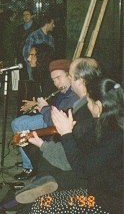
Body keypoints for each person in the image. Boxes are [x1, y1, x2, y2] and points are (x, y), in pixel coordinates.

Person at [21, 77, 122, 213]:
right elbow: (82, 151)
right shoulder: (106, 123)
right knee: (40, 201)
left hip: (108, 203)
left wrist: (67, 134)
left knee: (41, 207)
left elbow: (81, 169)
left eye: (89, 101)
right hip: (99, 190)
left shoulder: (115, 135)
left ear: (99, 106)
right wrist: (42, 143)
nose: (87, 105)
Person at [13, 58, 102, 212]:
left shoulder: (87, 111)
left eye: (71, 76)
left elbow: (74, 160)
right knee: (45, 167)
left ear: (79, 81)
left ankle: (36, 193)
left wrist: (46, 142)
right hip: (86, 168)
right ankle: (37, 187)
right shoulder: (88, 104)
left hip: (96, 186)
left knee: (39, 199)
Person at [12, 59, 78, 180]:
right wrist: (38, 106)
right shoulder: (63, 90)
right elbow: (55, 105)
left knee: (19, 125)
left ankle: (29, 166)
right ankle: (29, 162)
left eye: (59, 78)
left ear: (70, 76)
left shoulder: (74, 94)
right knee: (18, 122)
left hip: (54, 125)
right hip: (48, 115)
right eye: (54, 80)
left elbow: (55, 122)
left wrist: (44, 108)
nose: (56, 83)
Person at [23, 15, 56, 80]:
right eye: (52, 23)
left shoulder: (50, 38)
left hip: (46, 69)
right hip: (35, 69)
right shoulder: (33, 36)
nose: (54, 25)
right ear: (47, 23)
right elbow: (26, 53)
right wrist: (32, 64)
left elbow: (52, 54)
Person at [15, 9, 38, 80]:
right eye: (24, 15)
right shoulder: (20, 28)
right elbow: (16, 42)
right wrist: (16, 56)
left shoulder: (36, 28)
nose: (25, 17)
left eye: (27, 15)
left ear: (32, 16)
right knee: (22, 77)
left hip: (32, 56)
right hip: (21, 56)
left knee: (32, 76)